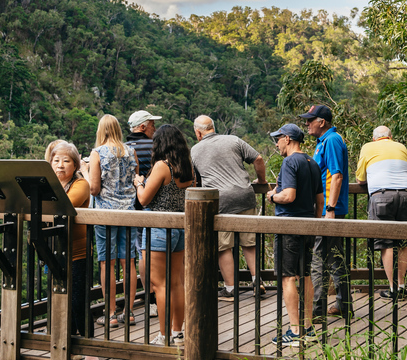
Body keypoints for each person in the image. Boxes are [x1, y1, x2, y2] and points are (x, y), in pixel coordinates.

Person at [191, 115, 267, 300]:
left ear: (198, 132)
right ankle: (257, 281)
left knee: (223, 246)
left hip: (220, 199)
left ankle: (231, 289)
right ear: (213, 127)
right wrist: (262, 181)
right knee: (249, 241)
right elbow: (258, 158)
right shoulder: (234, 140)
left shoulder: (194, 150)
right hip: (244, 194)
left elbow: (195, 179)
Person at [265, 124, 323, 345]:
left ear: (287, 139)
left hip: (289, 226)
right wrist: (316, 225)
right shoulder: (312, 163)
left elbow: (288, 196)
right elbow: (319, 201)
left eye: (277, 139)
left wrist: (272, 196)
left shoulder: (290, 162)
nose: (276, 144)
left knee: (288, 277)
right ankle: (308, 328)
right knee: (305, 275)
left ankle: (295, 331)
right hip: (308, 225)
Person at [135, 124, 193, 346]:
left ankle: (164, 335)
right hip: (180, 227)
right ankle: (177, 332)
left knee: (160, 284)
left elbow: (144, 200)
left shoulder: (162, 166)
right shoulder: (188, 167)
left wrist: (139, 183)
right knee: (176, 283)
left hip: (159, 228)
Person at [80, 114, 139, 328]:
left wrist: (85, 171)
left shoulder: (97, 153)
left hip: (105, 213)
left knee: (107, 262)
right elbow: (135, 180)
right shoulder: (130, 151)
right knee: (128, 261)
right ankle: (130, 311)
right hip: (129, 213)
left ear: (100, 131)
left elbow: (94, 188)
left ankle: (111, 313)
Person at [299, 104, 350, 319]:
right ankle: (343, 304)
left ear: (322, 122)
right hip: (327, 209)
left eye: (310, 120)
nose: (307, 124)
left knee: (319, 258)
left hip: (330, 210)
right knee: (334, 257)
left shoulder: (331, 140)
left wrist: (329, 209)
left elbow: (336, 175)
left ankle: (317, 310)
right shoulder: (324, 141)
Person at [355, 126, 407, 301]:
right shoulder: (401, 146)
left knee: (386, 243)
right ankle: (402, 286)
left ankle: (393, 289)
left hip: (382, 196)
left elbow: (360, 179)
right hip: (406, 195)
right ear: (390, 137)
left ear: (374, 139)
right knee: (403, 242)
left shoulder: (367, 147)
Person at [47, 141, 91, 337]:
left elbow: (66, 204)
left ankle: (90, 346)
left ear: (75, 165)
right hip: (53, 251)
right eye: (56, 160)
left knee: (77, 301)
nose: (60, 165)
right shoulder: (49, 185)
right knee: (57, 299)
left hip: (77, 253)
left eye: (66, 160)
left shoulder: (81, 184)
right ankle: (65, 343)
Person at [125, 109, 162, 317]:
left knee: (141, 253)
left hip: (133, 208)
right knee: (156, 252)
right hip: (156, 207)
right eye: (151, 125)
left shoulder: (124, 148)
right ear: (142, 127)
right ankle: (159, 297)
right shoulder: (156, 147)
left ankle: (149, 297)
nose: (154, 129)